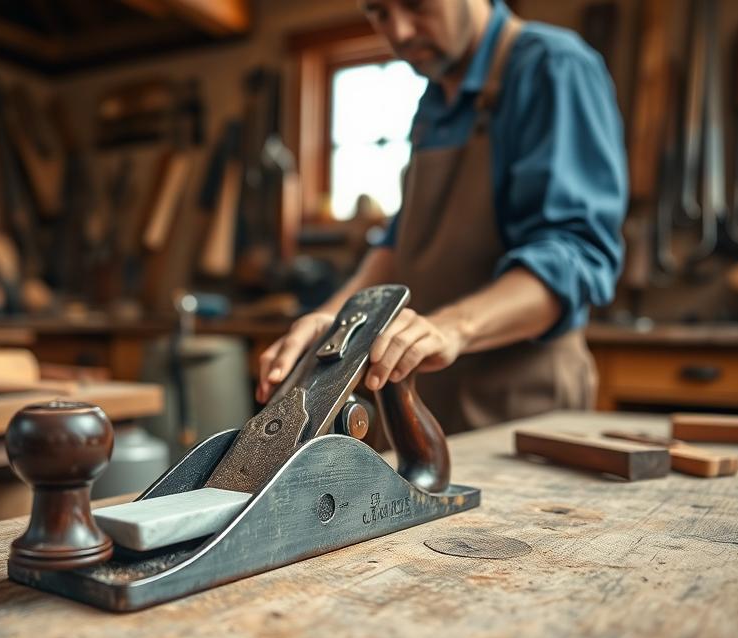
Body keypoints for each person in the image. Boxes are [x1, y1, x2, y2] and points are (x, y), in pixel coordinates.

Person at [257, 0, 627, 435]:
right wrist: (335, 321)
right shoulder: (433, 101)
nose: (400, 31)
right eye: (378, 12)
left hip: (520, 409)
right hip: (427, 401)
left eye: (416, 5)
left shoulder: (553, 68)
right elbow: (399, 244)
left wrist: (453, 327)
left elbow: (573, 259)